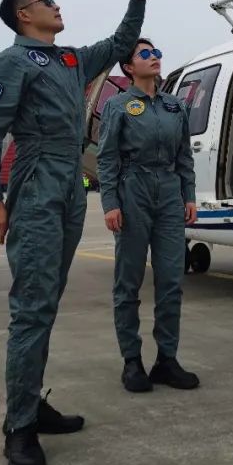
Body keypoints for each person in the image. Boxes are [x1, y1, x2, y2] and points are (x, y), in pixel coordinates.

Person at [0, 0, 158, 465]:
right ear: (23, 15)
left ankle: (32, 403)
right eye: (45, 0)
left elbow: (119, 44)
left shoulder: (70, 61)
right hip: (35, 182)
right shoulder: (9, 63)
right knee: (31, 307)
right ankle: (18, 427)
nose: (55, 4)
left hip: (71, 184)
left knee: (47, 301)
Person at [96, 38, 199, 393]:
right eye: (145, 54)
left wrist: (189, 195)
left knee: (171, 281)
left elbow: (184, 155)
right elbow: (107, 157)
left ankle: (167, 360)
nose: (154, 57)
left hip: (169, 194)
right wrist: (110, 202)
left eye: (156, 53)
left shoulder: (175, 106)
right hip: (132, 193)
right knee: (129, 282)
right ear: (128, 67)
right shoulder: (118, 106)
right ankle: (132, 361)